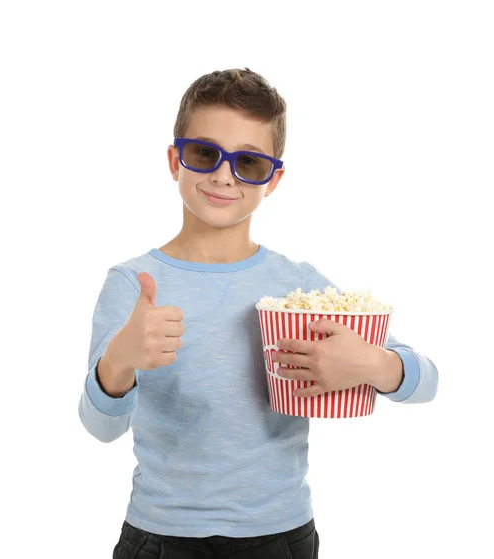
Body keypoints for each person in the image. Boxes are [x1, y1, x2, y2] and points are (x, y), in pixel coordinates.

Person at [78, 67, 439, 559]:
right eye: (205, 153)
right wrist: (119, 361)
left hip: (280, 535)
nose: (224, 175)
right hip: (161, 536)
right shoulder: (133, 285)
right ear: (174, 160)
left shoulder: (300, 286)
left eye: (248, 162)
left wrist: (376, 365)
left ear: (273, 179)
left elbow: (428, 381)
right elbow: (101, 429)